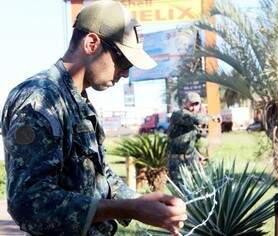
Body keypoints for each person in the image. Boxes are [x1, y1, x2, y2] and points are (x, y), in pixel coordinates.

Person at [1, 1, 187, 236]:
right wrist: (131, 208)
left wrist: (144, 203)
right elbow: (29, 203)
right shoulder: (39, 100)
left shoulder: (78, 101)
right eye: (123, 61)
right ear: (91, 44)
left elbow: (99, 177)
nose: (126, 72)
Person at [166, 92, 210, 186]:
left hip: (190, 158)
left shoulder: (194, 120)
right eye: (191, 104)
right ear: (185, 103)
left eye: (196, 104)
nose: (194, 107)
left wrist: (198, 155)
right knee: (181, 189)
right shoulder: (178, 114)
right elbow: (197, 119)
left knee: (200, 185)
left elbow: (189, 142)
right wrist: (213, 117)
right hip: (177, 160)